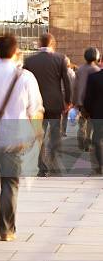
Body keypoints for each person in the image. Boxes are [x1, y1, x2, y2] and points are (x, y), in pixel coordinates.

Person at [0, 34, 44, 242]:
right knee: (11, 183)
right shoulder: (26, 76)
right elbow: (35, 110)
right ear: (15, 51)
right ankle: (7, 229)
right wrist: (37, 134)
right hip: (15, 137)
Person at [23, 33, 72, 176]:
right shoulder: (60, 59)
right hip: (55, 103)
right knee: (55, 134)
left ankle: (42, 166)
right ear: (53, 44)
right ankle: (54, 162)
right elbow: (67, 82)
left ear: (40, 44)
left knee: (38, 136)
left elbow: (25, 83)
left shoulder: (30, 61)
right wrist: (68, 101)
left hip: (37, 105)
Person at [73, 47, 100, 152]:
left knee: (81, 122)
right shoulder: (97, 70)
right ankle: (87, 143)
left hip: (81, 101)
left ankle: (80, 140)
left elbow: (75, 86)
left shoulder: (80, 69)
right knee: (90, 123)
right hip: (92, 102)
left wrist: (74, 100)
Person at [83, 66, 103, 174]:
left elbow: (88, 98)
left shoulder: (93, 77)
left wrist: (89, 111)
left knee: (97, 138)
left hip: (98, 114)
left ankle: (100, 165)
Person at [61, 57, 76, 136]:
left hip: (59, 95)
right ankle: (63, 131)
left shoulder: (58, 72)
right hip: (68, 96)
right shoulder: (72, 73)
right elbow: (74, 86)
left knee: (58, 114)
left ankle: (56, 131)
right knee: (65, 114)